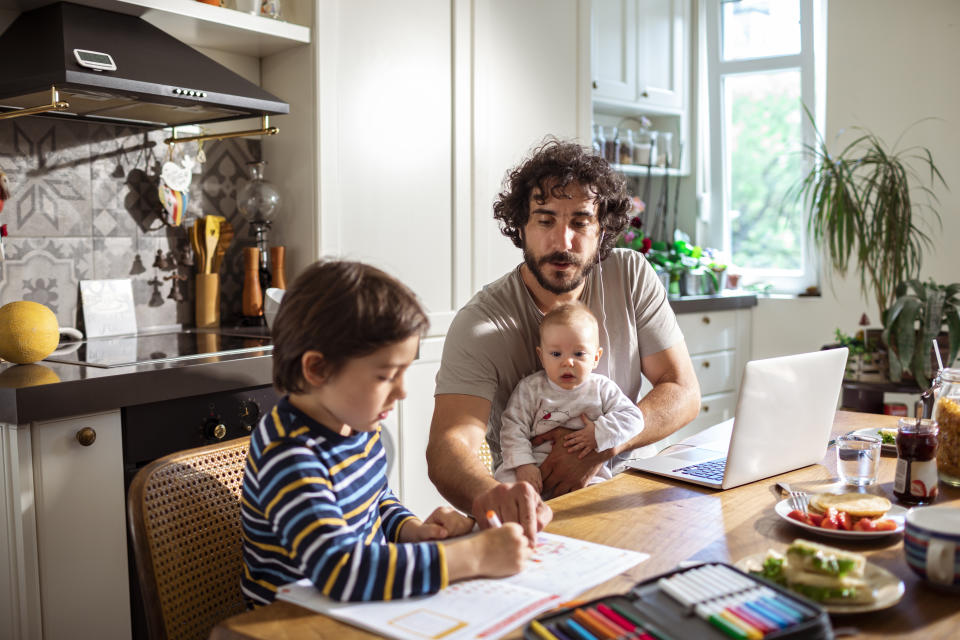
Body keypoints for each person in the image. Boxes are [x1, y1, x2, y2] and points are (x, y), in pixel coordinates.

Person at [427, 137, 701, 542]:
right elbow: (449, 446)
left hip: (632, 484)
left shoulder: (631, 275)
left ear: (602, 227)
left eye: (579, 221)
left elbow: (683, 391)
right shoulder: (481, 323)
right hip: (541, 507)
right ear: (520, 225)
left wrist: (598, 446)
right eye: (545, 219)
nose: (563, 241)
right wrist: (498, 498)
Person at [241, 260, 530, 605]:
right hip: (294, 623)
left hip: (357, 607)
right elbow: (341, 569)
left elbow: (376, 501)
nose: (403, 391)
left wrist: (412, 532)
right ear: (317, 369)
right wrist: (472, 556)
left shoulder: (357, 425)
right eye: (384, 376)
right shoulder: (289, 456)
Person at [495, 302, 646, 491]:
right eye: (556, 354)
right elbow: (512, 428)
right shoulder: (531, 388)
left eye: (579, 353)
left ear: (596, 357)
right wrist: (523, 464)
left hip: (586, 471)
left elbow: (634, 418)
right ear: (542, 357)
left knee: (600, 495)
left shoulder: (601, 388)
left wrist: (598, 433)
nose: (567, 362)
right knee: (505, 488)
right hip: (533, 465)